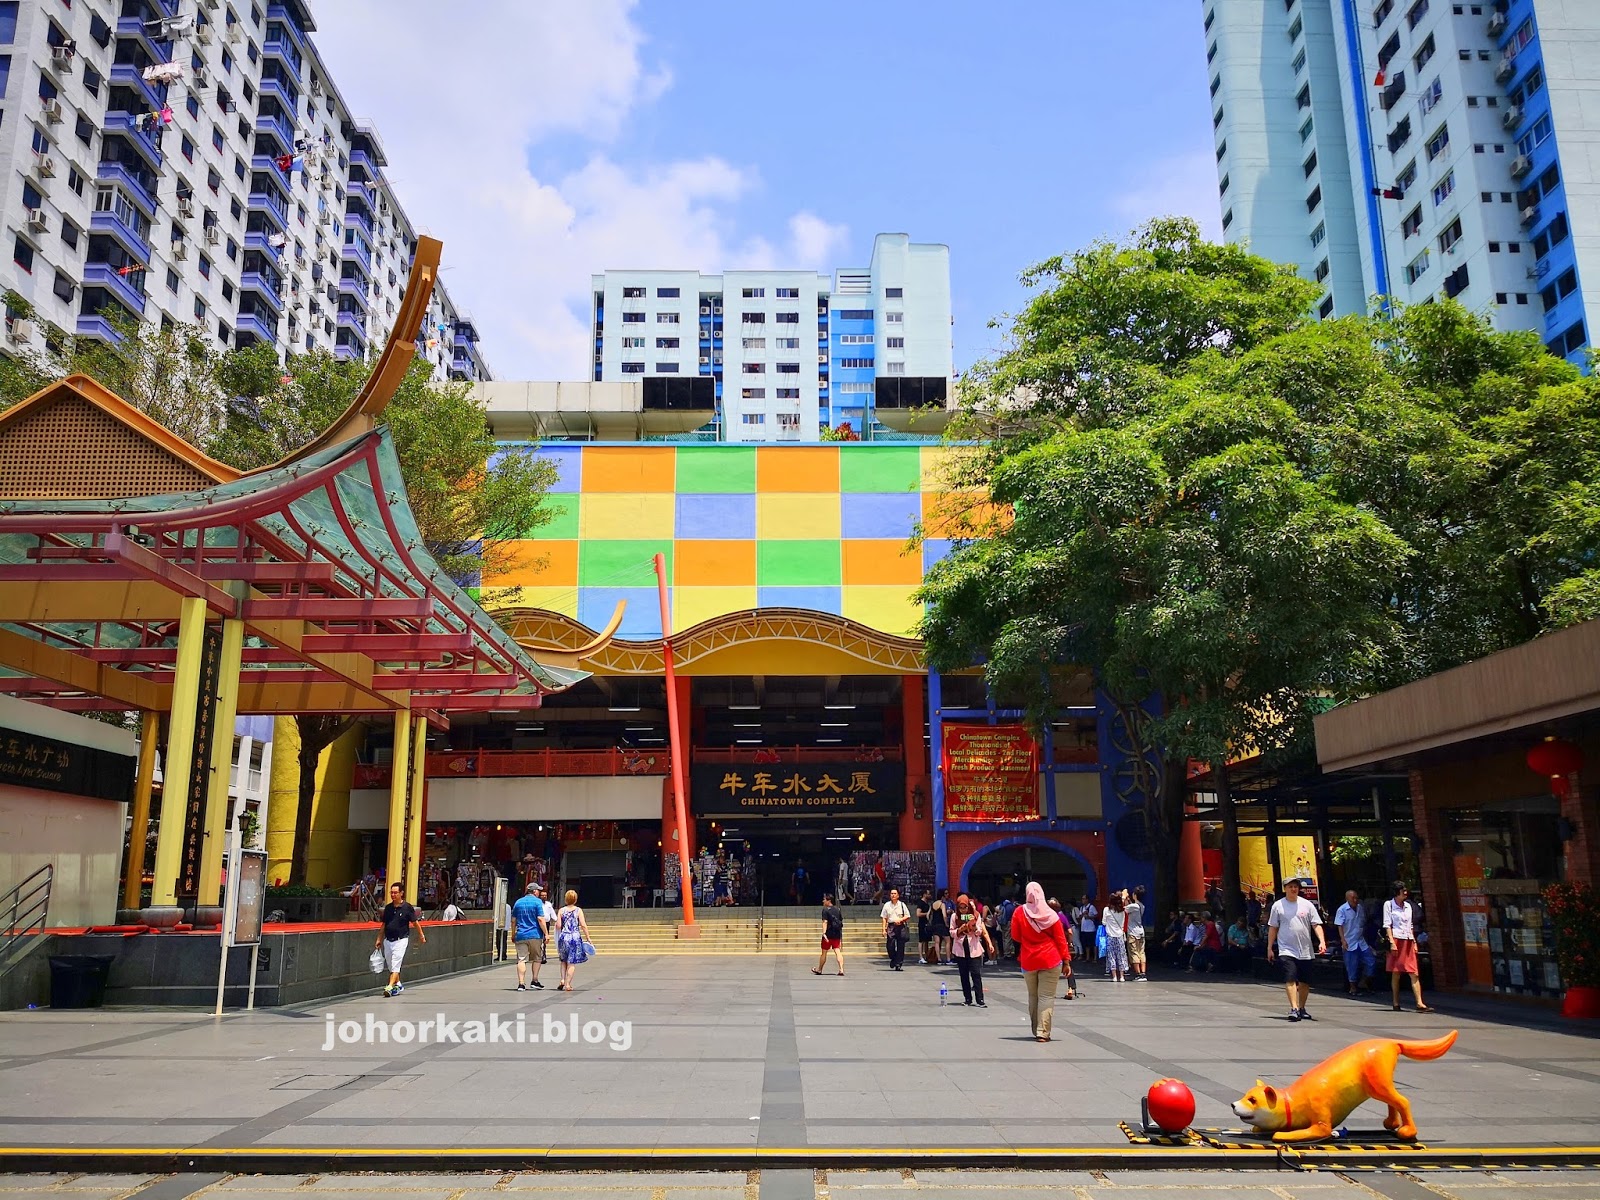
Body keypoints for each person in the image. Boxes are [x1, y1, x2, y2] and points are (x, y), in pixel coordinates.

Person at [1010, 881, 1073, 1042]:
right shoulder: (1052, 915)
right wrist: (1066, 961)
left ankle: (1035, 1029)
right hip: (1050, 959)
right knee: (1046, 997)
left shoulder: (1019, 912)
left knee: (1033, 996)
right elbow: (1061, 940)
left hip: (1029, 960)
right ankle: (1042, 1032)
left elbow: (1015, 936)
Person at [1267, 878, 1327, 1022]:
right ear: (1285, 888)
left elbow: (1316, 924)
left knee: (1305, 982)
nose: (1293, 889)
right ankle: (1293, 1008)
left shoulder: (1307, 905)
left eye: (1295, 886)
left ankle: (1302, 1008)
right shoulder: (1278, 906)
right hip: (1286, 949)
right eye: (1290, 886)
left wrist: (1322, 941)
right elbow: (1273, 927)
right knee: (1290, 978)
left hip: (1305, 949)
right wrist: (1269, 947)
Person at [1382, 881, 1436, 1013]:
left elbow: (1410, 925)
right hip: (1396, 939)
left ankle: (1419, 1003)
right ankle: (1395, 1002)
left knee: (1414, 972)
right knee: (1396, 972)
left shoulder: (1408, 906)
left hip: (1408, 940)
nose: (1405, 892)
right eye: (1402, 890)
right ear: (1397, 892)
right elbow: (1387, 924)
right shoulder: (1388, 905)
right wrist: (1392, 942)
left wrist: (1414, 942)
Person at [375, 881, 425, 998]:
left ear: (401, 893)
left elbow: (415, 923)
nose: (393, 895)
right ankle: (398, 984)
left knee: (396, 964)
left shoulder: (407, 907)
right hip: (388, 940)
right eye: (391, 893)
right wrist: (379, 939)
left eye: (395, 893)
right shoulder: (388, 908)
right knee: (391, 965)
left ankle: (390, 986)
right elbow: (384, 925)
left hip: (401, 940)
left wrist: (421, 935)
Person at [948, 892, 992, 1006]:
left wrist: (973, 927)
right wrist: (959, 930)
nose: (963, 910)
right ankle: (968, 998)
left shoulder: (975, 915)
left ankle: (980, 999)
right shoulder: (954, 916)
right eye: (960, 907)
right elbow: (951, 932)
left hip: (974, 949)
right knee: (963, 975)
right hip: (960, 949)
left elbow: (980, 932)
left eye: (965, 907)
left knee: (976, 974)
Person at [1334, 889, 1377, 996]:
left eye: (1356, 898)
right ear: (1347, 898)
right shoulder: (1342, 910)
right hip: (1349, 941)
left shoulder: (1360, 908)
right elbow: (1340, 925)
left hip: (1360, 940)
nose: (1355, 900)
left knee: (1371, 961)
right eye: (1352, 898)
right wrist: (1343, 940)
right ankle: (1353, 987)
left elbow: (1363, 923)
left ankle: (1364, 982)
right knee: (1351, 965)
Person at [509, 881, 547, 991]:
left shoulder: (518, 902)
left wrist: (513, 933)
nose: (539, 892)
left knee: (521, 959)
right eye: (538, 890)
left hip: (520, 934)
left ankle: (521, 983)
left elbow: (513, 920)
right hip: (535, 934)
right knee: (537, 958)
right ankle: (535, 980)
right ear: (534, 891)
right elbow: (540, 919)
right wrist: (546, 933)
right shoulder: (537, 902)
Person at [554, 888, 591, 992]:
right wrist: (588, 937)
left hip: (564, 937)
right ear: (575, 899)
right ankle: (568, 984)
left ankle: (562, 979)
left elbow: (558, 925)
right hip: (574, 937)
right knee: (572, 962)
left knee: (563, 960)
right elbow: (583, 925)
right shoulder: (578, 910)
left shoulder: (561, 910)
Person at [813, 893, 845, 976]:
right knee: (837, 951)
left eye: (824, 899)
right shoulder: (837, 909)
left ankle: (819, 969)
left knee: (824, 952)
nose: (823, 901)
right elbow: (841, 920)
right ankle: (841, 969)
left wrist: (824, 933)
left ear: (829, 901)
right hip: (837, 933)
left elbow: (825, 922)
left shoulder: (825, 910)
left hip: (828, 934)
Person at [880, 887, 911, 970]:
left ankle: (898, 964)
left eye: (895, 894)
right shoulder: (887, 905)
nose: (893, 895)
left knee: (901, 946)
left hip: (900, 926)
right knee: (890, 945)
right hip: (891, 926)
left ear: (898, 895)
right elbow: (884, 917)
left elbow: (907, 915)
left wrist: (901, 920)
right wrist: (883, 929)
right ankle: (893, 959)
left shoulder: (902, 905)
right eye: (891, 893)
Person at [1101, 891, 1129, 983]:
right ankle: (1122, 976)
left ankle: (1114, 976)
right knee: (1121, 955)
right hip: (1120, 935)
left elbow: (1104, 922)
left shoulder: (1106, 910)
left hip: (1110, 935)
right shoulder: (1123, 911)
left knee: (1111, 956)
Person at [1125, 886, 1147, 981]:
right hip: (1141, 931)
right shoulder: (1141, 906)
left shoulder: (1133, 906)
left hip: (1133, 932)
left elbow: (1123, 909)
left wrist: (1124, 897)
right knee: (1141, 952)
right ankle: (1143, 973)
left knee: (1134, 952)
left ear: (1135, 895)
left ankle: (1138, 974)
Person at [930, 889, 952, 965]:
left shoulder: (933, 904)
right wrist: (946, 924)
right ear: (942, 896)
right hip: (941, 924)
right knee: (948, 941)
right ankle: (948, 958)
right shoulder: (942, 904)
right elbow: (944, 915)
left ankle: (938, 959)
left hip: (935, 924)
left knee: (936, 942)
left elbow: (928, 915)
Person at [1075, 896, 1099, 963]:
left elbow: (1096, 915)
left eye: (1084, 899)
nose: (1082, 900)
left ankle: (1095, 958)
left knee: (1093, 943)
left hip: (1091, 928)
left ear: (1087, 899)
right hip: (1084, 928)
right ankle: (1087, 958)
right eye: (1082, 899)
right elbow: (1079, 917)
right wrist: (1082, 915)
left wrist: (1089, 916)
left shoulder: (1091, 907)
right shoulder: (1082, 908)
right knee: (1086, 944)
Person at [915, 890, 933, 965]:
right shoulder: (920, 903)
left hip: (927, 923)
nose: (930, 895)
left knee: (926, 941)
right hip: (922, 924)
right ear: (924, 894)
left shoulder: (927, 904)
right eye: (928, 894)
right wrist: (927, 914)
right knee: (921, 940)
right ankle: (921, 957)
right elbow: (918, 914)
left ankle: (926, 956)